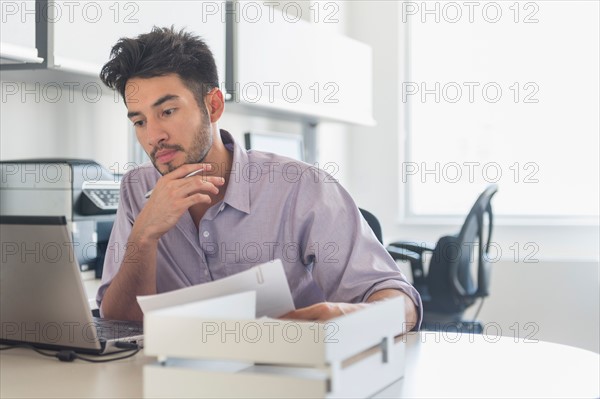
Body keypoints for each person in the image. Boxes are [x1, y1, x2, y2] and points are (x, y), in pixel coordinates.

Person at [97, 26, 422, 329]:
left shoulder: (302, 188)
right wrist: (143, 237)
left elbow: (401, 305)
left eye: (167, 112)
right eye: (139, 121)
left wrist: (340, 315)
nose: (153, 136)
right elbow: (120, 319)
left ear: (212, 106)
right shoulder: (137, 188)